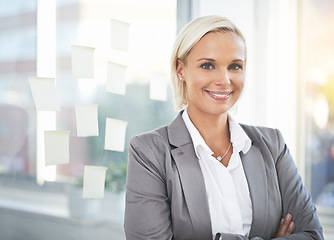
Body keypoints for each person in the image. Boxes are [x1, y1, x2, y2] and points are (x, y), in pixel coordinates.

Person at [124, 15, 324, 240]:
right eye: (208, 65)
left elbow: (313, 235)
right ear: (181, 69)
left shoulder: (272, 145)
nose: (225, 79)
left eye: (235, 66)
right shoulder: (150, 152)